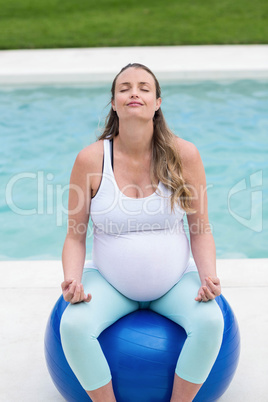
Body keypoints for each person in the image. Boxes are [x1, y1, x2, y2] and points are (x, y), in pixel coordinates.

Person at [60, 63, 224, 402]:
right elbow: (75, 235)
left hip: (174, 284)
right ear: (114, 103)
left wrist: (209, 278)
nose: (134, 92)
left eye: (144, 87)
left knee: (211, 321)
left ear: (157, 102)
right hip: (111, 286)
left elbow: (201, 229)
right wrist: (73, 280)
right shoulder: (90, 160)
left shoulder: (184, 155)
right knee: (73, 327)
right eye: (125, 88)